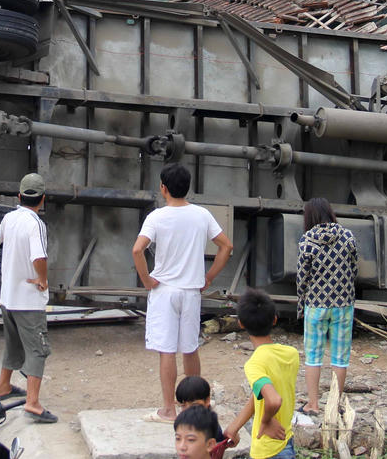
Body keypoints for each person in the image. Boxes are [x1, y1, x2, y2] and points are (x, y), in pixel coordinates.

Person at [132, 163, 234, 422]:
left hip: (165, 290)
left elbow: (137, 250)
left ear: (163, 188)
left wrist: (146, 279)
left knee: (167, 351)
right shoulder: (202, 214)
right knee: (190, 348)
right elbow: (226, 246)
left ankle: (168, 409)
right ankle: (194, 405)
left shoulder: (156, 217)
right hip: (191, 290)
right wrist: (208, 276)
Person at [0, 172, 57, 423]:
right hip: (28, 300)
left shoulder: (9, 218)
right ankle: (33, 403)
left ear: (19, 196)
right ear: (43, 199)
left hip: (7, 297)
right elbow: (39, 256)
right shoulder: (35, 223)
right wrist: (43, 279)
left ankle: (2, 387)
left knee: (13, 344)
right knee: (37, 349)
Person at [295, 197, 358, 413]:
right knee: (340, 357)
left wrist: (301, 302)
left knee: (313, 356)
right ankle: (335, 404)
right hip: (343, 304)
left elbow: (302, 277)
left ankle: (312, 404)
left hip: (316, 305)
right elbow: (354, 267)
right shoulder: (347, 236)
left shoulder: (307, 240)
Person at [224, 288, 298, 459]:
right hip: (285, 441)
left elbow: (273, 399)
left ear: (241, 324)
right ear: (274, 320)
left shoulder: (255, 364)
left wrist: (266, 421)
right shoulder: (291, 354)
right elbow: (260, 396)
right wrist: (234, 427)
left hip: (267, 449)